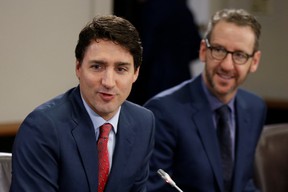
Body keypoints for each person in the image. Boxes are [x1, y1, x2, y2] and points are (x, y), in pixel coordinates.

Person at [10, 15, 155, 192]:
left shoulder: (143, 122)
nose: (108, 82)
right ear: (78, 67)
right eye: (97, 66)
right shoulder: (42, 128)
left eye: (121, 69)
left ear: (136, 73)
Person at [145, 8, 266, 192]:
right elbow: (155, 190)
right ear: (203, 50)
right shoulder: (163, 111)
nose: (226, 65)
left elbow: (243, 183)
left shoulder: (255, 108)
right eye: (218, 50)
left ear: (255, 61)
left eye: (240, 55)